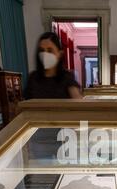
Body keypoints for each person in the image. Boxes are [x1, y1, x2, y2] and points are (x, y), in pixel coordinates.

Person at [24, 32, 82, 160]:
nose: (45, 54)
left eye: (50, 50)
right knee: (43, 175)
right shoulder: (33, 78)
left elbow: (79, 105)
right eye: (42, 50)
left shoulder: (67, 78)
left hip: (64, 139)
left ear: (60, 53)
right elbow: (25, 110)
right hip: (39, 140)